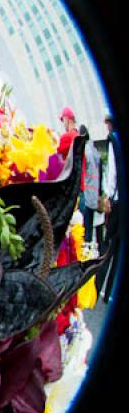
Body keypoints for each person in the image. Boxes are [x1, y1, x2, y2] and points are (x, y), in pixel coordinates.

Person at [98, 113, 120, 301]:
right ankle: (110, 293)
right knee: (119, 253)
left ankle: (97, 288)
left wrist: (108, 197)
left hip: (117, 203)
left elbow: (112, 174)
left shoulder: (114, 141)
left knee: (108, 247)